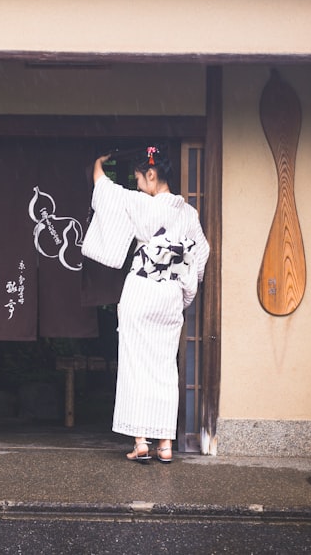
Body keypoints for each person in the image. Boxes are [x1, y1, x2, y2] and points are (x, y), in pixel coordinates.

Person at [83, 146, 209, 463]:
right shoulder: (188, 213)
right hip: (168, 295)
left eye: (139, 178)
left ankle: (141, 442)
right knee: (166, 368)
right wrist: (183, 289)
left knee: (136, 367)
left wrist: (98, 163)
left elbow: (105, 190)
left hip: (140, 291)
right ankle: (165, 445)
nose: (138, 184)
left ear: (151, 175)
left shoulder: (140, 204)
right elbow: (201, 255)